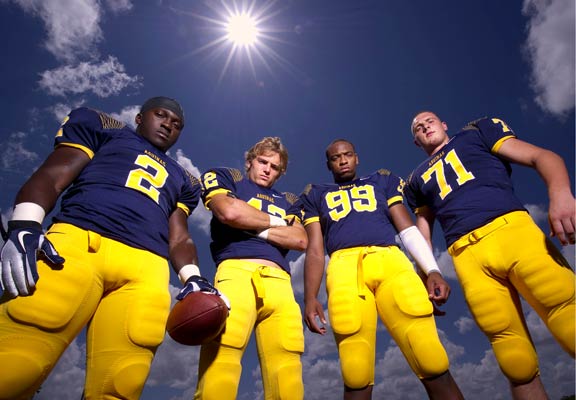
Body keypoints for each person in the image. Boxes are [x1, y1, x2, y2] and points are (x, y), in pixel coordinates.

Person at [0, 97, 226, 399]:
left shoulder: (185, 179)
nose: (168, 125)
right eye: (161, 115)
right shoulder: (106, 129)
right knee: (16, 365)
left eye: (177, 124)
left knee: (121, 384)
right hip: (78, 244)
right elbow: (56, 173)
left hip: (147, 268)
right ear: (139, 117)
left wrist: (193, 277)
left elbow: (180, 235)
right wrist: (26, 222)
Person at [406, 111, 575, 399]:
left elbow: (542, 157)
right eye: (418, 128)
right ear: (416, 141)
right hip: (466, 256)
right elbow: (423, 230)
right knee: (514, 359)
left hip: (512, 231)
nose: (424, 126)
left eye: (429, 121)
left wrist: (560, 194)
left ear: (444, 124)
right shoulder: (415, 179)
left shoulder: (475, 133)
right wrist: (426, 272)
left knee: (568, 315)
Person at [301, 139, 464, 400]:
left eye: (347, 155)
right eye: (335, 157)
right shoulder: (315, 194)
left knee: (431, 357)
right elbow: (315, 250)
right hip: (344, 269)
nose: (343, 160)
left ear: (357, 158)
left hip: (390, 260)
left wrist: (432, 269)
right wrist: (310, 297)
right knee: (355, 371)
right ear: (328, 164)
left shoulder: (383, 180)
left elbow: (407, 229)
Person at [188, 137, 307, 400]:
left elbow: (300, 239)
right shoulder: (229, 180)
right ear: (250, 161)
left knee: (287, 372)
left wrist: (249, 222)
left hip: (280, 283)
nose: (267, 169)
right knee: (222, 361)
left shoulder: (289, 199)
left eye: (274, 167)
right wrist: (278, 225)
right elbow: (229, 213)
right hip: (236, 273)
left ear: (280, 172)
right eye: (262, 162)